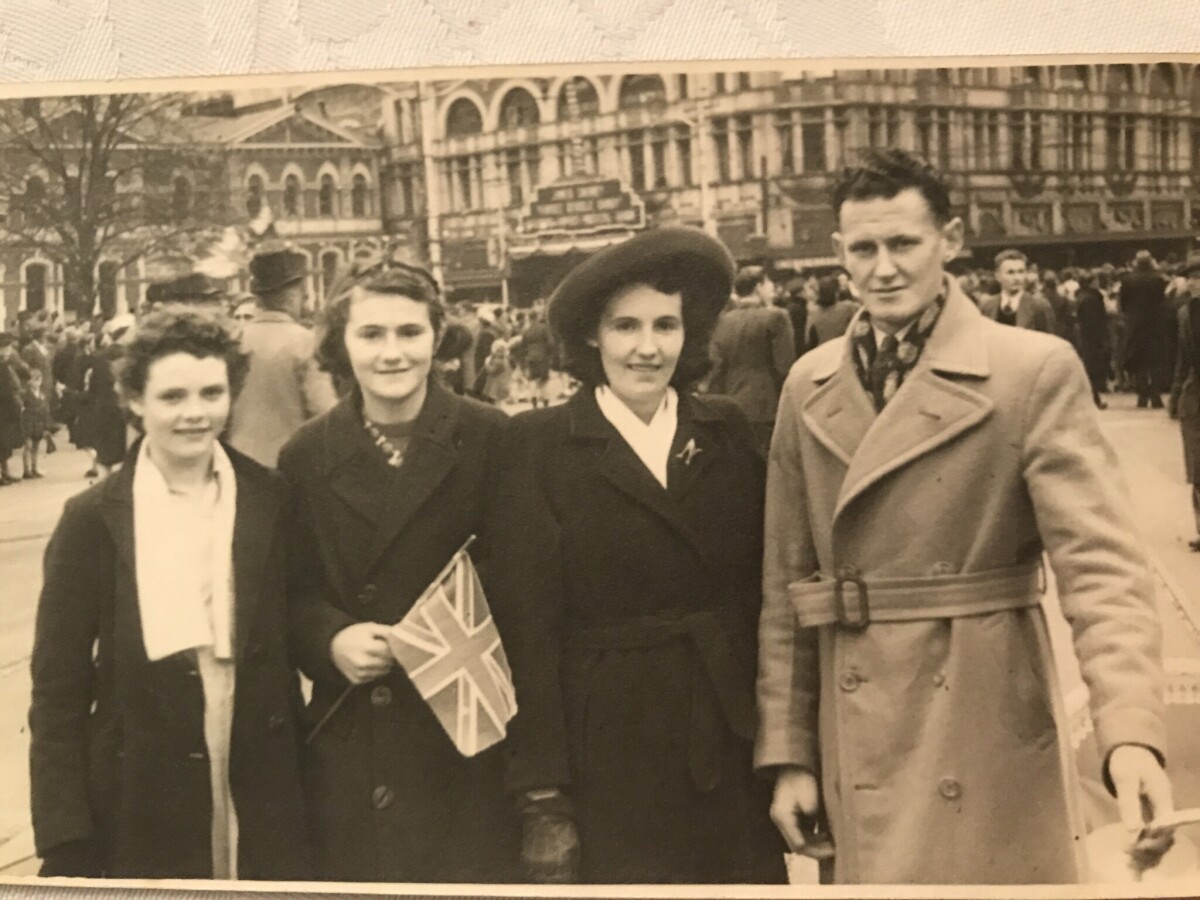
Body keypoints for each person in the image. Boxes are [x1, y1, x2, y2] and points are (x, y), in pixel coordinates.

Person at [757, 149, 1172, 884]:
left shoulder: (1031, 370)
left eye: (904, 243)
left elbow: (1102, 571)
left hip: (983, 713)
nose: (884, 268)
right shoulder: (807, 384)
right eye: (864, 249)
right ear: (839, 253)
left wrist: (1130, 734)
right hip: (857, 727)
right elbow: (786, 588)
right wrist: (790, 752)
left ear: (950, 240)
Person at [490, 227, 787, 884]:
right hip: (607, 752)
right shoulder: (537, 445)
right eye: (625, 326)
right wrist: (542, 793)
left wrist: (784, 748)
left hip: (727, 740)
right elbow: (527, 630)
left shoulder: (725, 428)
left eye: (665, 325)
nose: (647, 348)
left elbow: (763, 595)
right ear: (592, 337)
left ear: (690, 333)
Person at [28, 308, 311, 880]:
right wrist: (65, 836)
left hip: (260, 766)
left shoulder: (270, 498)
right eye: (173, 397)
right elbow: (57, 690)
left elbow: (300, 619)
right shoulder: (92, 518)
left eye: (212, 393)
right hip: (140, 782)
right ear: (136, 400)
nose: (195, 413)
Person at [278, 263, 520, 883]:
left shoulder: (492, 437)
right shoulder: (305, 454)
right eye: (371, 334)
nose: (392, 353)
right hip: (357, 737)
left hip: (469, 734)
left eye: (410, 332)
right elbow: (288, 590)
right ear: (341, 343)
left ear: (438, 338)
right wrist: (330, 639)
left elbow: (530, 584)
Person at [227, 248, 338, 468]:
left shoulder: (234, 341)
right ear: (292, 296)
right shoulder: (306, 342)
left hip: (238, 461)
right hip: (290, 462)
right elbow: (324, 410)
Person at [706, 266, 796, 456]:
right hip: (767, 405)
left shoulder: (722, 321)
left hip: (731, 404)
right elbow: (785, 367)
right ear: (758, 287)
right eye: (768, 283)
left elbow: (715, 368)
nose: (772, 288)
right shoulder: (776, 317)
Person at [1168, 255, 1200, 551]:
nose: (1194, 283)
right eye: (1190, 278)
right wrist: (1176, 393)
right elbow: (1182, 358)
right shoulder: (1185, 314)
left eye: (1199, 277)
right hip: (1195, 396)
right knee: (1197, 468)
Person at [1120, 250, 1170, 409]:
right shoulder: (1158, 279)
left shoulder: (1127, 280)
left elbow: (1123, 303)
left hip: (1135, 325)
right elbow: (1163, 301)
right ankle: (1156, 396)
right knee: (1155, 360)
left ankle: (1142, 395)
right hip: (1155, 324)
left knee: (1138, 361)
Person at [979, 248, 1057, 333]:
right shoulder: (987, 306)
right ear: (998, 276)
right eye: (1010, 272)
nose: (1017, 278)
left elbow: (1049, 338)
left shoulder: (1039, 306)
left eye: (1021, 272)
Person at [1075, 272, 1112, 409]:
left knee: (1089, 368)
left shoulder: (1082, 296)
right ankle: (1094, 399)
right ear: (1091, 283)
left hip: (1086, 338)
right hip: (1092, 339)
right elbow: (1095, 322)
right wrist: (1102, 339)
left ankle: (1094, 398)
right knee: (1092, 369)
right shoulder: (1091, 299)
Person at [806, 275, 858, 350]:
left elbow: (809, 339)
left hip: (823, 350)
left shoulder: (813, 312)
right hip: (843, 348)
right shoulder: (847, 307)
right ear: (836, 293)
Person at [0, 333, 24, 485]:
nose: (9, 351)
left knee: (6, 443)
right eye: (7, 348)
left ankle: (5, 471)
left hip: (7, 410)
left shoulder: (5, 365)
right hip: (2, 409)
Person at [21, 367, 51, 478]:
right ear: (29, 381)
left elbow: (45, 410)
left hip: (38, 424)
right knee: (28, 446)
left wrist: (46, 425)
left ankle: (34, 468)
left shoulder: (42, 394)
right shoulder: (25, 394)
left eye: (39, 379)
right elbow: (23, 409)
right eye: (35, 379)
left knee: (36, 446)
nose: (37, 382)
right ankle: (26, 470)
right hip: (28, 423)